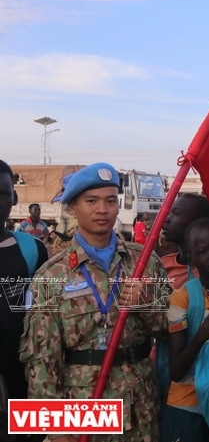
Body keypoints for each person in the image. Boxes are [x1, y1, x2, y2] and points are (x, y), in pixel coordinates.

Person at [20, 163, 168, 442]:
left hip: (141, 404)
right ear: (73, 207)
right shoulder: (51, 275)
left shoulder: (144, 262)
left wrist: (146, 303)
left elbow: (166, 329)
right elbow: (42, 360)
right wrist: (55, 429)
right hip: (84, 406)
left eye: (111, 200)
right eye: (92, 201)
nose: (103, 209)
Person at [162, 219, 209, 442]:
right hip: (187, 408)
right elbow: (176, 371)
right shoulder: (182, 298)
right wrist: (204, 332)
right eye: (203, 251)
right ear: (190, 257)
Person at [0, 159, 48, 440]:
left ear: (14, 198)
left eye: (3, 194)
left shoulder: (32, 249)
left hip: (21, 376)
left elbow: (45, 312)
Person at [160, 193, 209, 290]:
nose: (166, 219)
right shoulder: (162, 265)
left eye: (176, 213)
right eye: (169, 214)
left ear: (200, 222)